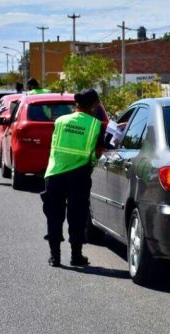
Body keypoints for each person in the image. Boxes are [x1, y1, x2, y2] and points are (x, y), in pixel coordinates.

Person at [41, 89, 105, 267]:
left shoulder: (60, 121)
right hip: (80, 175)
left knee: (54, 216)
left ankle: (55, 257)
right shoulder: (95, 125)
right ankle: (76, 256)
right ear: (94, 105)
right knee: (76, 216)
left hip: (54, 174)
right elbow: (99, 152)